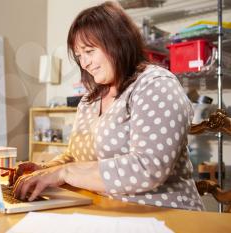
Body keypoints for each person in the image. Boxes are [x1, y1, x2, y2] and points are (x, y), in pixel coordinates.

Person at [12, 1, 205, 211]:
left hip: (163, 212)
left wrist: (64, 173)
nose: (84, 63)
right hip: (104, 207)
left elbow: (148, 168)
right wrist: (45, 170)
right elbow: (75, 157)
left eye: (89, 51)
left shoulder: (156, 84)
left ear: (117, 42)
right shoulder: (90, 99)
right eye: (79, 56)